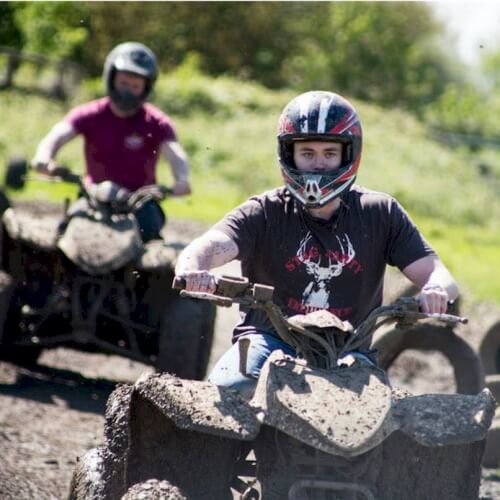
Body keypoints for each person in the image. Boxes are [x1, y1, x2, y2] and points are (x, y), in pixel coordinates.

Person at [175, 90, 459, 395]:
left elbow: (438, 273)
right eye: (307, 153)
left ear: (348, 155)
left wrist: (435, 289)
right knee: (228, 392)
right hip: (267, 343)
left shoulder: (381, 213)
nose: (319, 164)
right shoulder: (265, 211)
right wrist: (193, 268)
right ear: (289, 154)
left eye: (329, 153)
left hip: (350, 352)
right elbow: (211, 244)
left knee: (384, 422)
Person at [31, 41, 191, 242]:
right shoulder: (90, 113)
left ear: (146, 88)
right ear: (111, 78)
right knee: (65, 233)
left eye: (135, 86)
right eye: (123, 83)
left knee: (149, 232)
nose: (127, 91)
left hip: (139, 203)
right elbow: (58, 134)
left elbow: (175, 153)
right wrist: (44, 157)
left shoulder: (156, 122)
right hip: (93, 197)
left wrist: (182, 179)